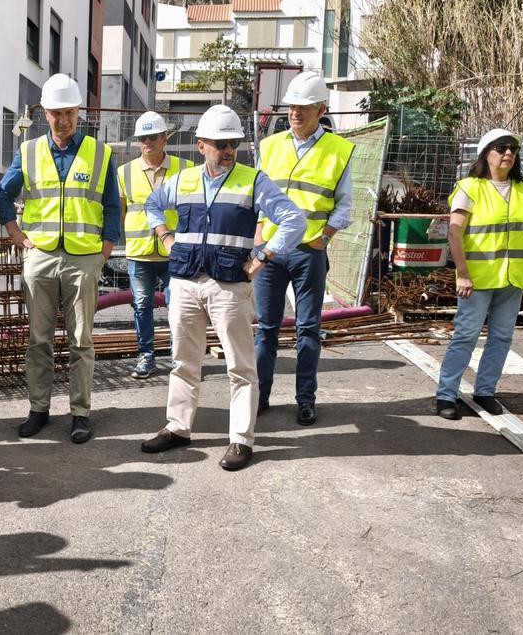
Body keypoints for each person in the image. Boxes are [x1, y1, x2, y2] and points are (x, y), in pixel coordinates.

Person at [139, 104, 306, 471]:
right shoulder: (183, 180)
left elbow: (294, 220)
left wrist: (263, 256)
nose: (229, 150)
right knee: (184, 361)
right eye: (220, 144)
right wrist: (165, 237)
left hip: (229, 287)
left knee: (240, 367)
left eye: (233, 143)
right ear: (201, 145)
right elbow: (152, 204)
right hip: (185, 282)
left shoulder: (253, 180)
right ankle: (178, 427)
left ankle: (241, 440)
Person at [0, 73, 121, 444]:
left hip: (84, 258)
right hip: (41, 256)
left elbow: (113, 205)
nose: (63, 120)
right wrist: (16, 234)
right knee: (39, 340)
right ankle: (39, 409)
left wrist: (105, 250)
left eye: (69, 112)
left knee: (82, 340)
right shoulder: (29, 151)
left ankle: (80, 413)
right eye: (55, 113)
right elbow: (3, 194)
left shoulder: (100, 153)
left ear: (78, 111)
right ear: (45, 114)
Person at [254, 71, 357, 427]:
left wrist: (323, 239)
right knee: (266, 328)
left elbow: (345, 206)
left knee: (308, 329)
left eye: (304, 108)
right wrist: (259, 236)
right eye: (292, 107)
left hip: (309, 252)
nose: (295, 113)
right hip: (270, 251)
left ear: (321, 110)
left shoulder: (339, 151)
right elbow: (257, 196)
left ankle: (305, 399)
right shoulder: (270, 146)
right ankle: (260, 396)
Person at [434, 129, 523, 420]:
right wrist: (462, 273)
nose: (508, 153)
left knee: (501, 338)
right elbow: (454, 233)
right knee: (466, 336)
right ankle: (446, 395)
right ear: (486, 153)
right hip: (478, 278)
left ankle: (485, 391)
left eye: (513, 148)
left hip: (512, 278)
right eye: (501, 148)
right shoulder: (470, 188)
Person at [118, 111, 194, 379]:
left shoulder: (185, 168)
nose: (147, 142)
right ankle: (146, 356)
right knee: (141, 306)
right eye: (142, 138)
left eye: (152, 137)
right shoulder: (124, 172)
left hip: (176, 252)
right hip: (139, 254)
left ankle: (179, 357)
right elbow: (122, 211)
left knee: (179, 307)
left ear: (165, 138)